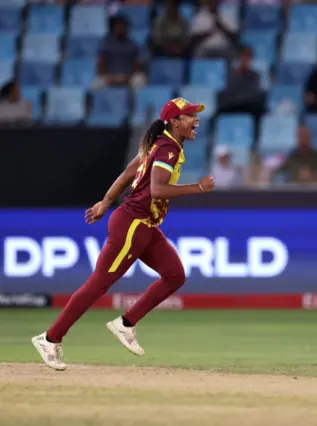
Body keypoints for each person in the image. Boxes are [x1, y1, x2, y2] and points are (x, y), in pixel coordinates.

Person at [31, 98, 215, 371]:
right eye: (190, 116)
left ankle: (126, 323)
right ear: (174, 122)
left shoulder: (159, 142)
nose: (196, 120)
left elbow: (129, 172)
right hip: (133, 224)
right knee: (99, 284)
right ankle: (50, 338)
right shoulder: (167, 149)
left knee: (175, 275)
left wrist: (105, 202)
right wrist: (197, 188)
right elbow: (158, 190)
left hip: (144, 225)